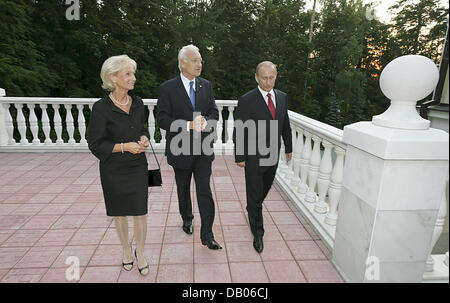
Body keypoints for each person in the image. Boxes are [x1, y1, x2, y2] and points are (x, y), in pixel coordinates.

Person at [88, 55, 150, 275]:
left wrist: (144, 138)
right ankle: (126, 250)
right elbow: (95, 144)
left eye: (133, 73)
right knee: (120, 213)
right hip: (113, 169)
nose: (133, 78)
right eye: (128, 74)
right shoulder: (101, 108)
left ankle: (140, 252)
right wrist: (125, 146)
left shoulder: (138, 102)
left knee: (140, 212)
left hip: (138, 166)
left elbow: (142, 128)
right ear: (113, 77)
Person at [156, 44, 222, 250]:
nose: (199, 64)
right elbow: (163, 119)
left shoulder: (206, 85)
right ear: (182, 62)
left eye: (200, 61)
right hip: (180, 148)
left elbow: (214, 112)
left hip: (203, 149)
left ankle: (207, 234)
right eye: (195, 60)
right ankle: (187, 217)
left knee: (204, 189)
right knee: (183, 188)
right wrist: (187, 125)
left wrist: (206, 121)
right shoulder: (167, 88)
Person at [234, 61, 292, 253]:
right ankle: (258, 233)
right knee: (254, 194)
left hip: (273, 155)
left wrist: (288, 148)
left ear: (276, 76)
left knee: (262, 191)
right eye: (264, 78)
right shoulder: (247, 100)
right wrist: (240, 156)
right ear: (257, 77)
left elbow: (285, 125)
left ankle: (253, 206)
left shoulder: (282, 97)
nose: (268, 82)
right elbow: (239, 130)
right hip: (252, 156)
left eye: (271, 77)